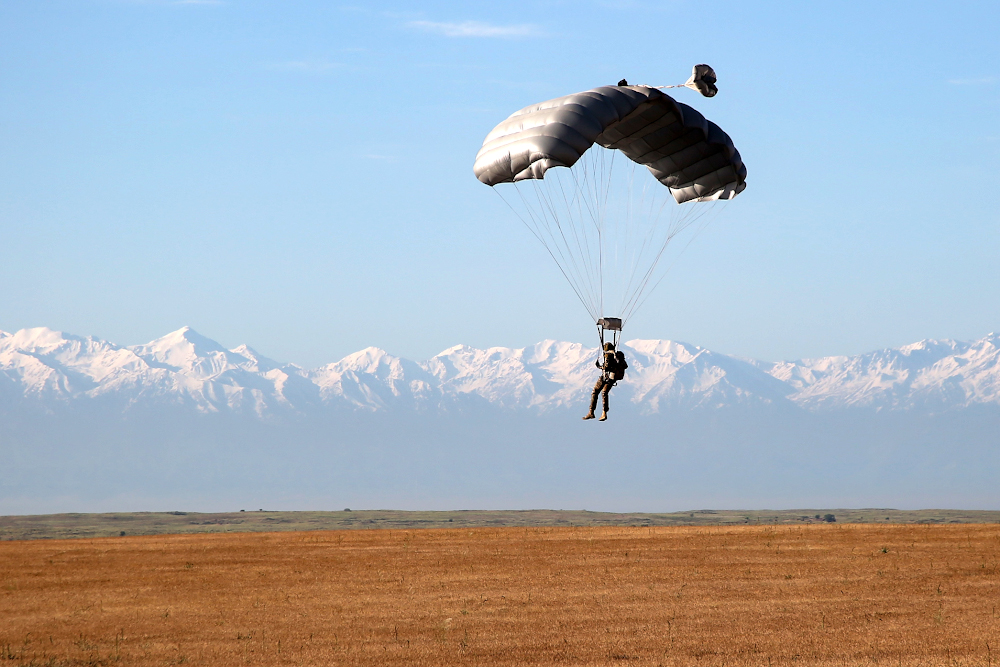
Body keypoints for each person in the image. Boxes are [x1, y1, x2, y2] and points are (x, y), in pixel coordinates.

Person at [583, 342, 628, 421]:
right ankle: (604, 412)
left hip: (606, 377)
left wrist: (599, 366)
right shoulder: (618, 356)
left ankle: (592, 412)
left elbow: (606, 367)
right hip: (612, 378)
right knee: (604, 393)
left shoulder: (608, 355)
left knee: (595, 391)